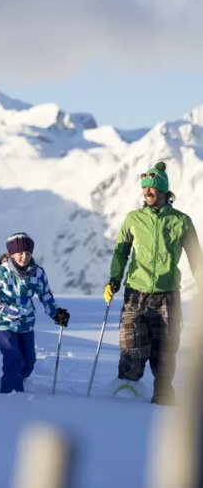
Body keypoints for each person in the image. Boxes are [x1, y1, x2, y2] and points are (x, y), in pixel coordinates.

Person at [104, 162, 203, 405]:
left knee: (165, 353)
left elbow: (195, 258)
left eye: (152, 188)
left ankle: (163, 399)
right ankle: (126, 396)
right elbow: (121, 253)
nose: (147, 192)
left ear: (164, 191)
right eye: (145, 188)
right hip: (135, 294)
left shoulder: (181, 221)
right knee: (132, 349)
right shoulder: (134, 219)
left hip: (167, 296)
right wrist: (114, 279)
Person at [0, 232, 70, 394]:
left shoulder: (38, 273)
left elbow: (45, 296)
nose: (24, 256)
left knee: (29, 361)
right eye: (20, 253)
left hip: (26, 322)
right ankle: (11, 396)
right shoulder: (2, 272)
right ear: (12, 254)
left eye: (27, 252)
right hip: (3, 320)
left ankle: (17, 379)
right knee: (13, 358)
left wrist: (56, 313)